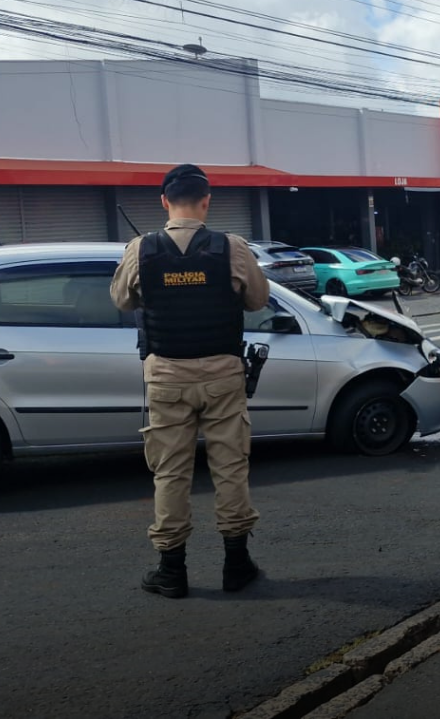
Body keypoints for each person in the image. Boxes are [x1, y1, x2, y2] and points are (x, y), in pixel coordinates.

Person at [111, 164, 270, 599]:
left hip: (166, 375)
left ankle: (171, 570)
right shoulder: (231, 248)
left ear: (164, 201)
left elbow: (122, 300)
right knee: (230, 468)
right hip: (222, 374)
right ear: (206, 201)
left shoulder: (141, 249)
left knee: (170, 473)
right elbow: (258, 299)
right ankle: (236, 564)